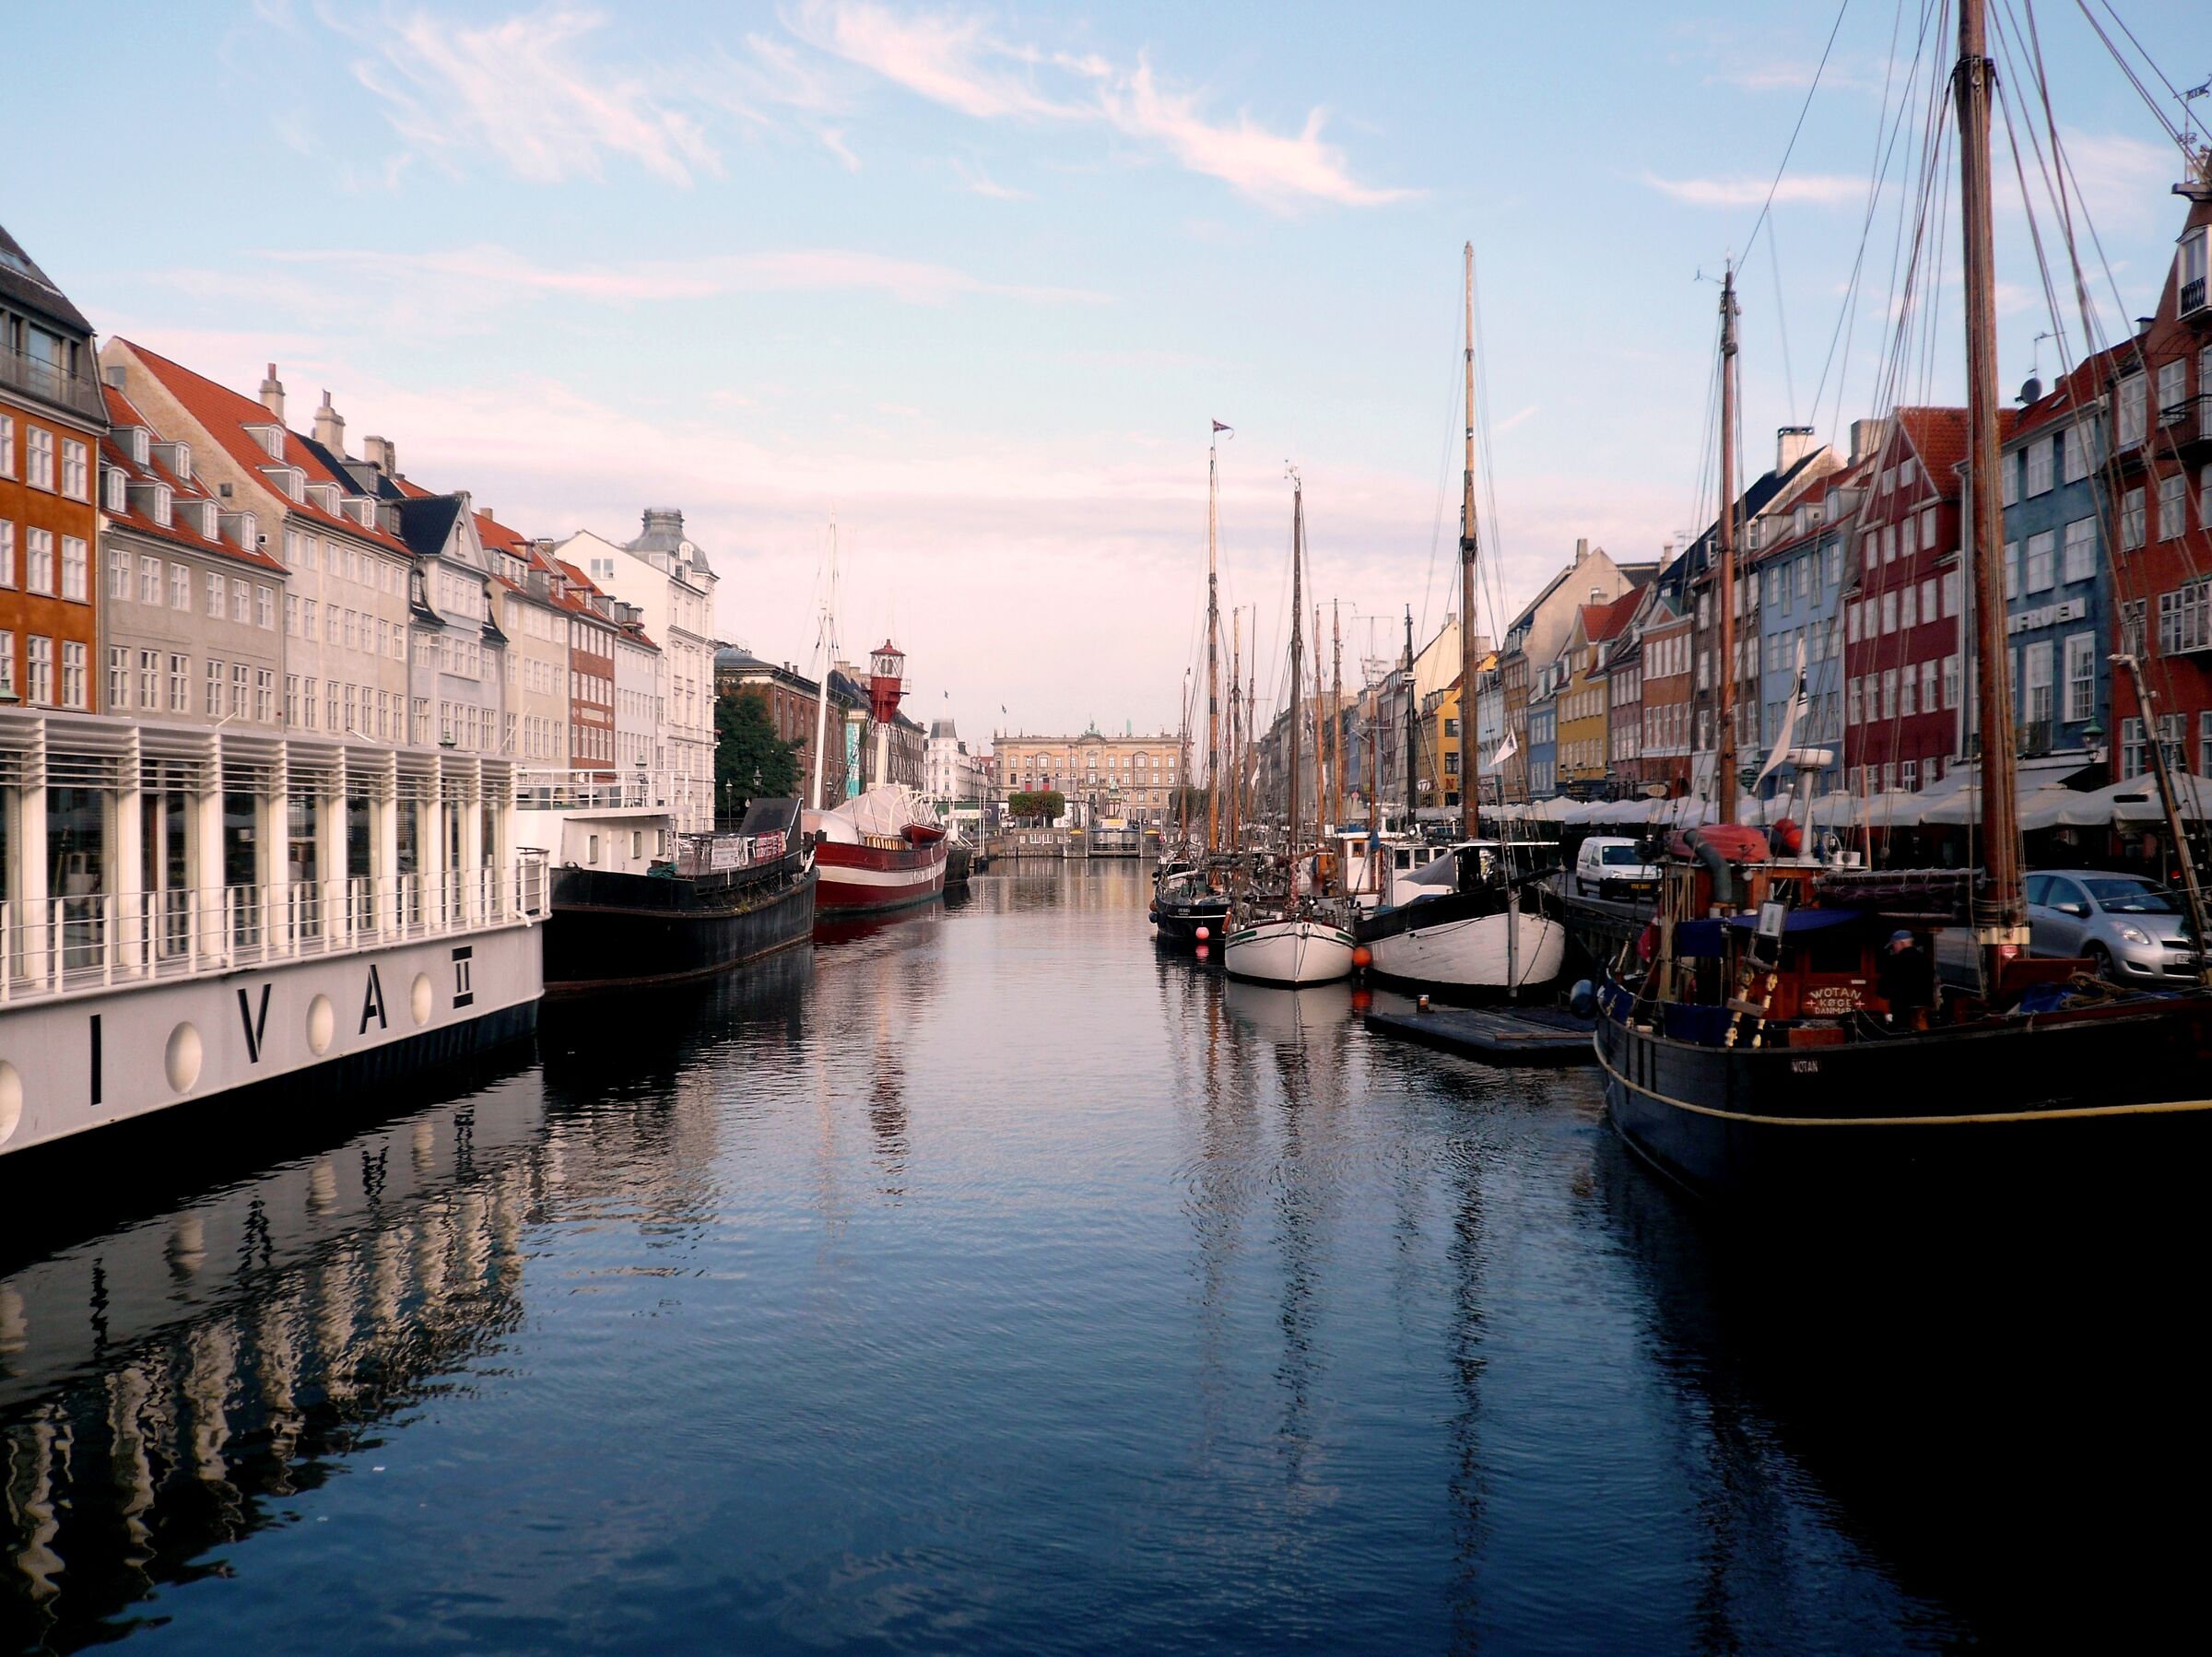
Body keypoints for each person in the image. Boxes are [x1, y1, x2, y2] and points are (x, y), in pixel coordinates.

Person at [1876, 928, 1935, 1028]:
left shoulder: (1894, 962)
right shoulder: (1926, 960)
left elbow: (1883, 989)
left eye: (1894, 945)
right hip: (1923, 1010)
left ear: (1901, 943)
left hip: (1902, 1011)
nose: (1893, 948)